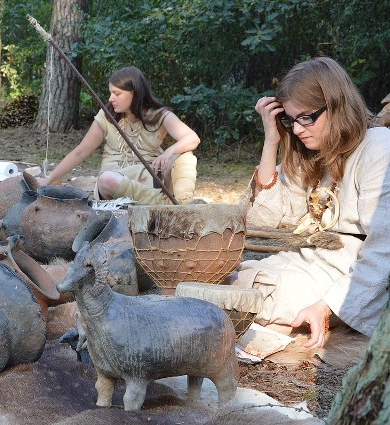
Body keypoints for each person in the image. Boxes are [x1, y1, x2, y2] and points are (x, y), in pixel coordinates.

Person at [226, 57, 390, 348]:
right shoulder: (313, 151)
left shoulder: (379, 148)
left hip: (347, 275)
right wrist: (271, 141)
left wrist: (325, 307)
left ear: (337, 105)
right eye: (291, 119)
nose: (298, 129)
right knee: (223, 284)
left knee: (247, 302)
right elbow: (261, 218)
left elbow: (383, 251)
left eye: (307, 117)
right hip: (306, 261)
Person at [40, 66, 200, 205]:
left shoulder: (159, 115)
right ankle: (168, 205)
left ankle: (184, 202)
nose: (111, 98)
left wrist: (168, 152)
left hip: (149, 179)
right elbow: (80, 152)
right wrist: (49, 179)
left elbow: (192, 138)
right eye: (111, 93)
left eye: (117, 93)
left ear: (134, 93)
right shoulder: (106, 116)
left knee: (185, 155)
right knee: (106, 179)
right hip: (115, 181)